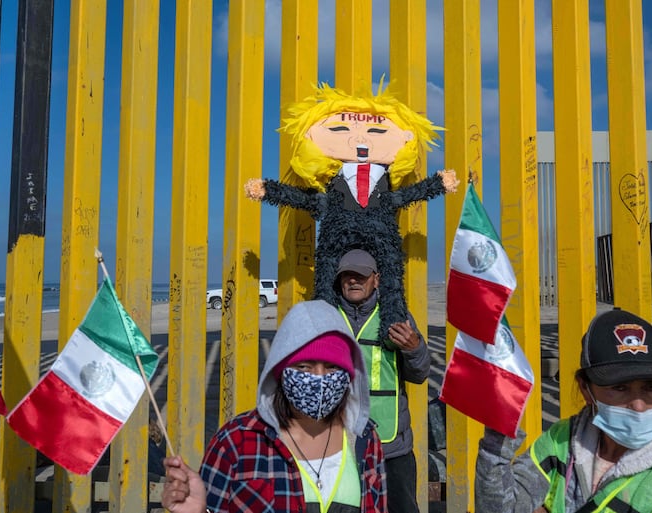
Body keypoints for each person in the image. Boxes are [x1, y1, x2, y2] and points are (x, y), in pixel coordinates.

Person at [245, 83, 458, 341]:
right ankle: (323, 328)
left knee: (391, 275)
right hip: (338, 233)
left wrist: (436, 184)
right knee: (326, 274)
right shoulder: (334, 187)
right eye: (340, 129)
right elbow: (307, 199)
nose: (359, 139)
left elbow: (405, 195)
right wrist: (269, 190)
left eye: (377, 131)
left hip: (381, 235)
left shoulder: (384, 187)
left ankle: (393, 329)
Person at [475, 307, 652, 513]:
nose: (638, 404)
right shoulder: (561, 443)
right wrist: (495, 442)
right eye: (620, 388)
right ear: (586, 390)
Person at [161, 300, 386, 513]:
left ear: (349, 375)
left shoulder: (364, 439)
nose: (319, 378)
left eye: (331, 368)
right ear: (280, 373)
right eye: (304, 367)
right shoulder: (236, 441)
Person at [334, 248, 430, 513]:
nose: (353, 281)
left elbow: (420, 374)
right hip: (338, 446)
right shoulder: (326, 316)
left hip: (392, 448)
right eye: (347, 275)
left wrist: (414, 348)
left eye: (361, 276)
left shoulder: (395, 315)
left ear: (376, 279)